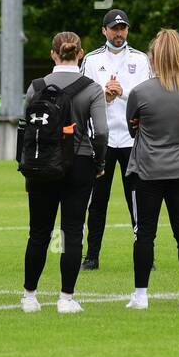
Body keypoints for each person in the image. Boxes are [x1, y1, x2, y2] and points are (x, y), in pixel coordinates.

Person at [18, 31, 107, 313]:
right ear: (80, 54)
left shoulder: (36, 87)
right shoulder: (92, 88)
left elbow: (25, 128)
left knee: (38, 233)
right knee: (71, 232)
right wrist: (100, 162)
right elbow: (102, 131)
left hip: (41, 164)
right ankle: (66, 298)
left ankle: (29, 296)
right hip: (78, 163)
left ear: (53, 54)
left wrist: (26, 165)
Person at [124, 29, 179, 310]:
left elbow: (133, 128)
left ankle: (141, 295)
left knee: (144, 233)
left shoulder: (141, 92)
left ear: (153, 57)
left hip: (148, 171)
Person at [80, 9, 153, 270]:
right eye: (114, 28)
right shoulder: (91, 59)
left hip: (133, 139)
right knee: (97, 200)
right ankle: (92, 255)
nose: (119, 33)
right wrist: (104, 94)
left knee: (137, 198)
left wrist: (121, 94)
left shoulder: (141, 59)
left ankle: (145, 252)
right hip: (102, 139)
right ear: (104, 31)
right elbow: (82, 95)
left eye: (122, 28)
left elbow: (147, 95)